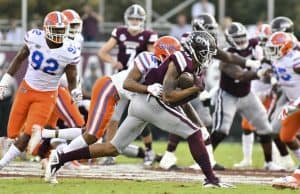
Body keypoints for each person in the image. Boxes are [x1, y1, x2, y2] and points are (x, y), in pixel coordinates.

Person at [46, 31, 234, 188]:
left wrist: (193, 100)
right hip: (149, 101)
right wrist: (194, 90)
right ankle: (211, 178)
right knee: (193, 134)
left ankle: (61, 157)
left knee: (112, 148)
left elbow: (179, 103)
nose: (209, 57)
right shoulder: (180, 59)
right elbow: (168, 96)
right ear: (196, 50)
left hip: (141, 104)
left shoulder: (191, 65)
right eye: (206, 52)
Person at [158, 13, 261, 170]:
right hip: (181, 86)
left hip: (194, 87)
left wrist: (248, 62)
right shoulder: (189, 40)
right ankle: (169, 156)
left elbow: (226, 56)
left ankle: (201, 158)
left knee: (203, 123)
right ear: (200, 28)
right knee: (188, 122)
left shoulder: (206, 41)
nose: (213, 31)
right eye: (210, 28)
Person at [0, 11, 81, 170]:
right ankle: (33, 150)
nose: (58, 33)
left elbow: (72, 78)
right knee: (12, 132)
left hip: (47, 95)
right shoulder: (34, 37)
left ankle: (2, 165)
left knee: (29, 132)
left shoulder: (69, 51)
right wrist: (4, 82)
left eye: (61, 30)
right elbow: (19, 59)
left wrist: (75, 91)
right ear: (45, 28)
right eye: (55, 30)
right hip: (26, 89)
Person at [210, 22, 283, 171]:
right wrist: (260, 72)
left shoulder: (253, 44)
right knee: (221, 130)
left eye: (243, 37)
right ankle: (206, 159)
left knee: (265, 128)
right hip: (228, 95)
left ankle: (269, 163)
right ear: (230, 39)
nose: (242, 41)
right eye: (237, 39)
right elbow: (240, 75)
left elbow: (267, 48)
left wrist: (265, 59)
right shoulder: (226, 54)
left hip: (246, 94)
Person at [98, 4, 158, 165]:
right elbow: (103, 51)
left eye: (138, 18)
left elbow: (154, 58)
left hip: (137, 82)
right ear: (127, 19)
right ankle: (109, 154)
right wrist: (114, 62)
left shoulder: (148, 35)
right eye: (132, 18)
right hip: (121, 81)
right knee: (113, 118)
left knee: (140, 116)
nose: (135, 21)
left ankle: (149, 151)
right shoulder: (120, 32)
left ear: (143, 20)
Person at [267, 32, 300, 189]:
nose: (273, 51)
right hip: (294, 104)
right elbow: (279, 75)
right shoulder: (278, 60)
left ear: (286, 47)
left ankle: (296, 178)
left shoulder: (295, 60)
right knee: (286, 136)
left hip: (297, 103)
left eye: (276, 48)